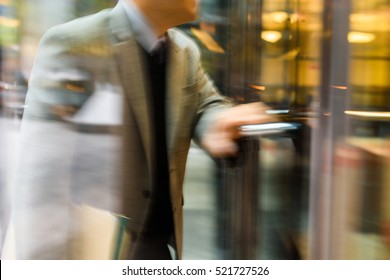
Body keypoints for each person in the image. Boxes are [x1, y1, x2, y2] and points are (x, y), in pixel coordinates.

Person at [4, 0, 274, 260]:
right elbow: (40, 181)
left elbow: (206, 104)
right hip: (99, 250)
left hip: (159, 249)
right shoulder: (74, 43)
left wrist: (218, 122)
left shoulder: (184, 51)